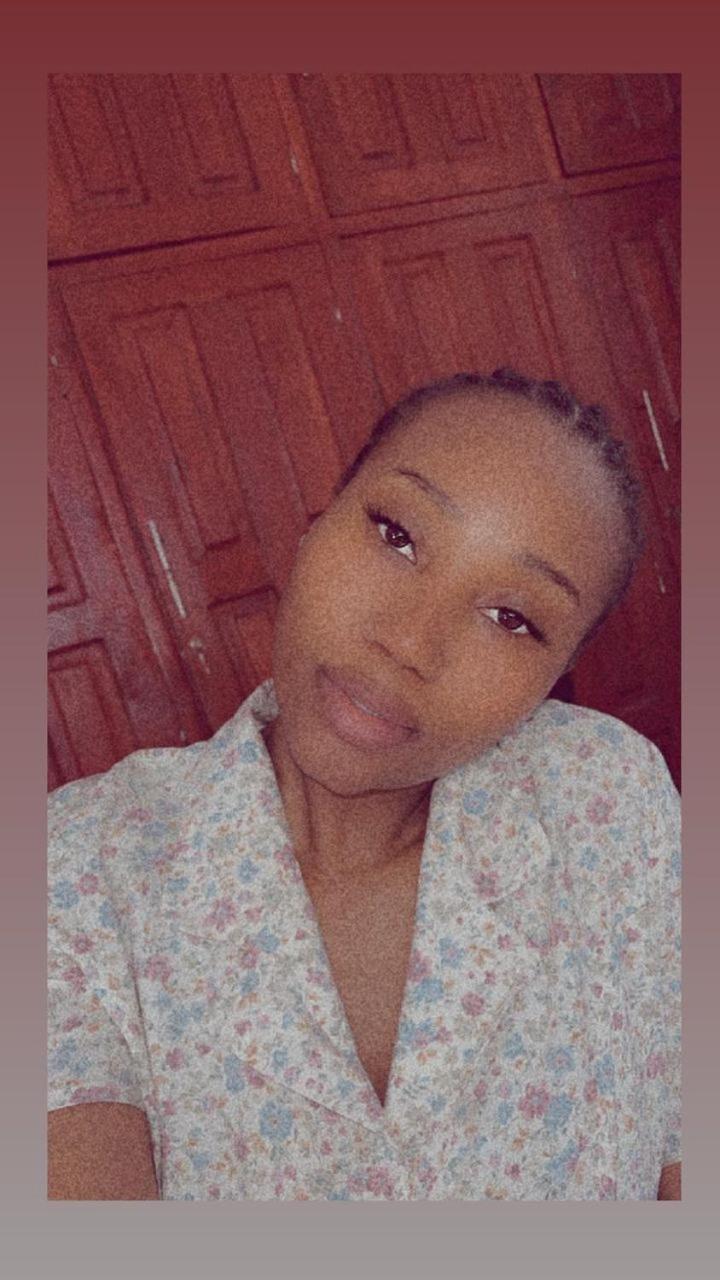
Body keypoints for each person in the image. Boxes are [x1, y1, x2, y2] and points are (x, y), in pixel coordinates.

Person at [47, 367, 681, 1200]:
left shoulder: (607, 796)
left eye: (513, 618)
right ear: (316, 525)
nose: (409, 643)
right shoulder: (76, 871)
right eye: (397, 535)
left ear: (552, 680)